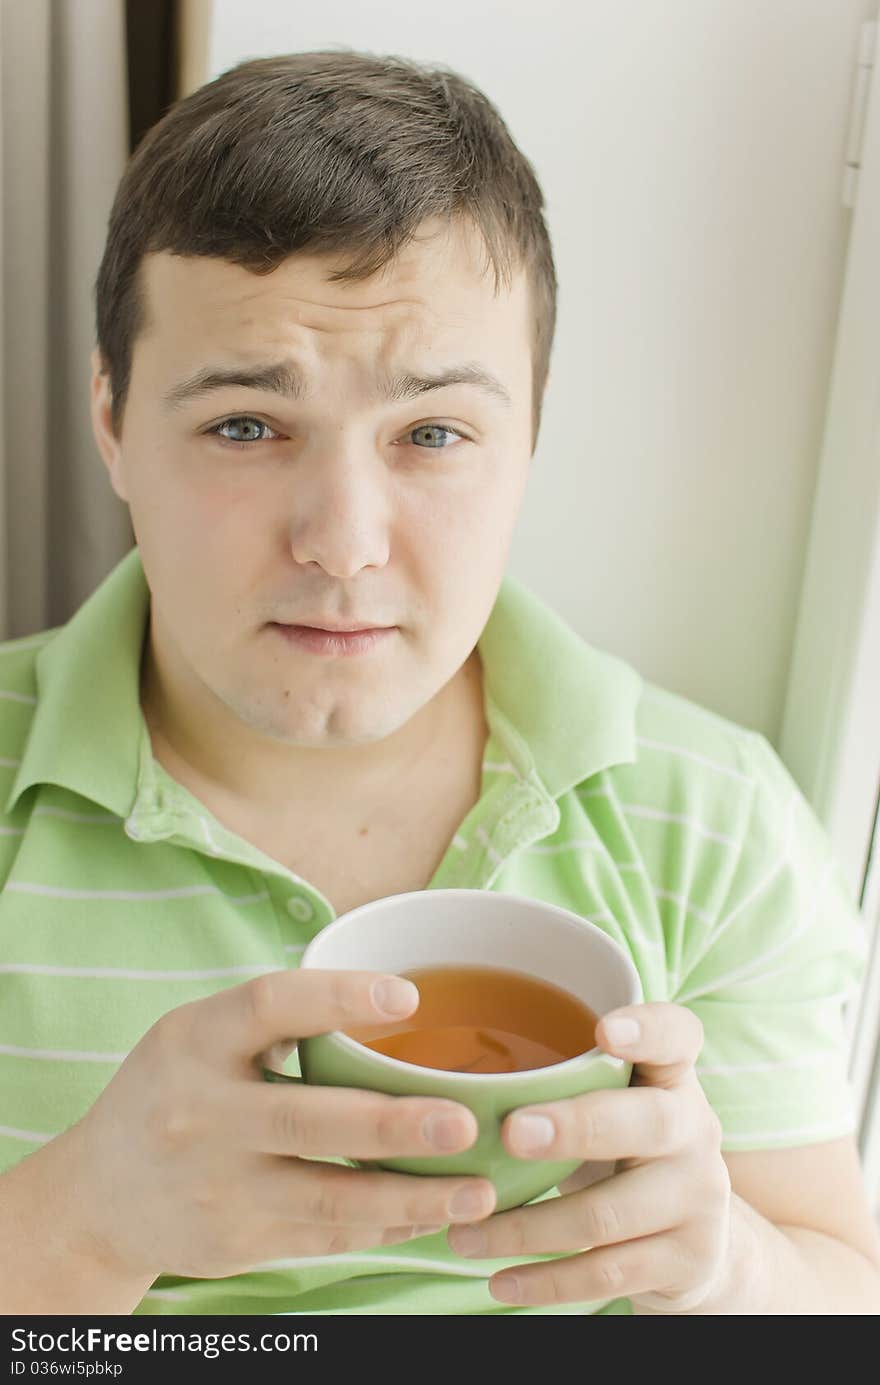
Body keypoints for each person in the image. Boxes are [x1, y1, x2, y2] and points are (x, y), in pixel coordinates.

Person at [0, 48, 878, 1317]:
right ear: (111, 422)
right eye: (246, 423)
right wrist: (84, 1218)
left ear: (529, 436)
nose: (343, 540)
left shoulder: (711, 824)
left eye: (432, 434)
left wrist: (726, 1262)